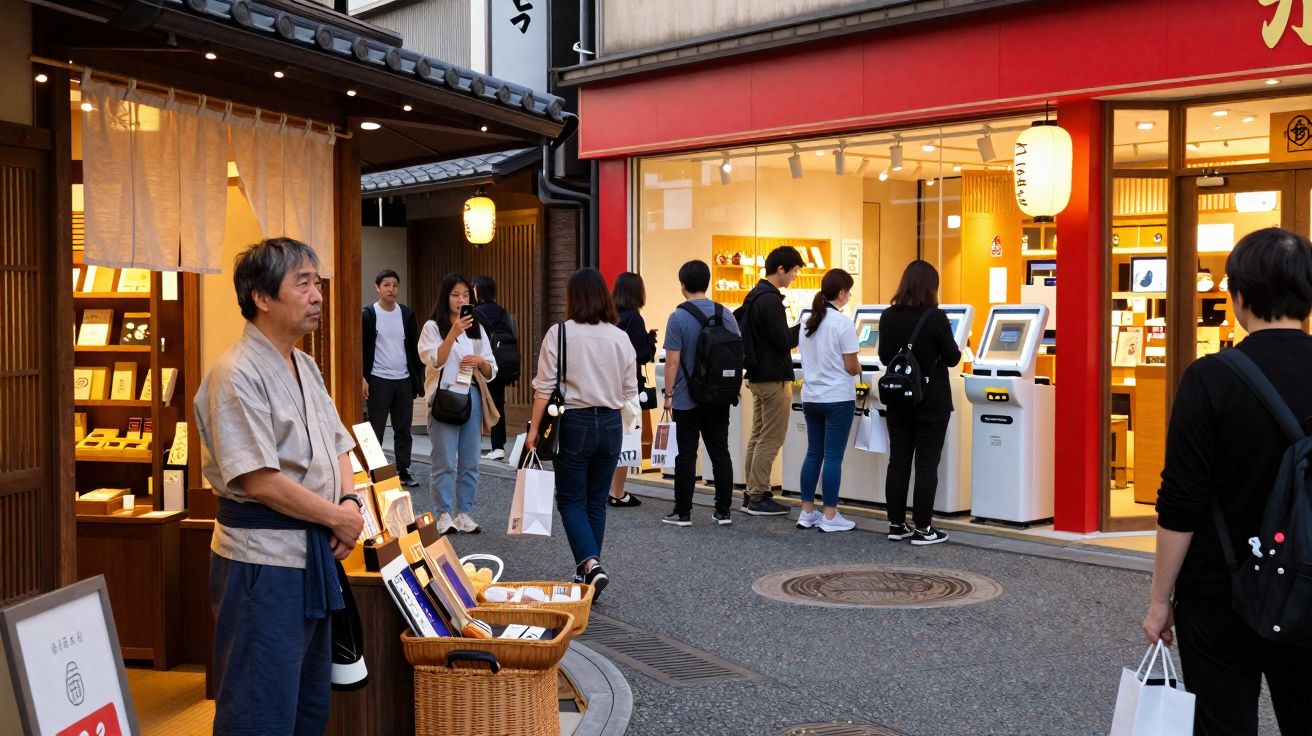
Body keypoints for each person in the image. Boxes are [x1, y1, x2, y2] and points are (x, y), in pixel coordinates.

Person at [1142, 227, 1312, 736]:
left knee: (1221, 722)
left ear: (1237, 296)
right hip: (1308, 581)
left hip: (1220, 589)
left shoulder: (1210, 378)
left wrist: (1158, 600)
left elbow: (1181, 502)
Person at [194, 238, 364, 734]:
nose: (317, 295)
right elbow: (259, 480)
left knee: (306, 705)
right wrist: (336, 517)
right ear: (262, 298)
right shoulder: (235, 372)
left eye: (317, 282)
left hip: (309, 559)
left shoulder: (304, 364)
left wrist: (350, 501)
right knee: (258, 708)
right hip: (260, 564)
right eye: (303, 283)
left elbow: (338, 445)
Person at [526, 268, 637, 596]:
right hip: (611, 424)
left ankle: (591, 565)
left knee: (571, 499)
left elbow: (543, 388)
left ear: (572, 298)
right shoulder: (620, 337)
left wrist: (533, 430)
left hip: (573, 423)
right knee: (596, 501)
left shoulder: (559, 333)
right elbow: (629, 388)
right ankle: (588, 575)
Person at [878, 260, 962, 546]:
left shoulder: (888, 316)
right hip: (932, 403)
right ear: (931, 286)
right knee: (926, 465)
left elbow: (883, 356)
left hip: (898, 401)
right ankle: (923, 528)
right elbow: (952, 357)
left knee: (898, 461)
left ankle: (895, 524)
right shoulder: (936, 318)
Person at [661, 260, 741, 527]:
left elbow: (672, 361)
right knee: (720, 451)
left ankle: (682, 512)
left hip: (687, 396)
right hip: (719, 394)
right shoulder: (726, 313)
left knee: (686, 454)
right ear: (707, 282)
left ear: (682, 285)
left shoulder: (678, 317)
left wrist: (668, 393)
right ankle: (723, 511)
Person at [419, 273, 497, 535]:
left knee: (470, 459)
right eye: (456, 295)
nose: (461, 299)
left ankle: (464, 512)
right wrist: (452, 333)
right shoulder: (433, 327)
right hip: (444, 396)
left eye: (465, 295)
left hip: (470, 395)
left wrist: (480, 362)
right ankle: (443, 514)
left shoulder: (477, 329)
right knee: (444, 460)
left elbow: (491, 369)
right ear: (445, 297)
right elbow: (434, 360)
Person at [737, 245, 806, 516]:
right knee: (772, 437)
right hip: (774, 377)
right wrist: (806, 325)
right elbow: (783, 340)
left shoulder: (753, 295)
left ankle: (753, 491)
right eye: (794, 271)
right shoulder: (771, 300)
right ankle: (758, 496)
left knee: (757, 435)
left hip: (755, 375)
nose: (795, 277)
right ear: (781, 269)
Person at [795, 269, 860, 533]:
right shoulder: (843, 324)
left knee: (813, 453)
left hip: (812, 397)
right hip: (838, 399)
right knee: (833, 457)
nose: (849, 295)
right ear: (842, 293)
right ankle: (830, 516)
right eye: (849, 291)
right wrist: (857, 369)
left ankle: (807, 512)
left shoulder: (808, 321)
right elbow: (851, 365)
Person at [361, 269, 424, 487]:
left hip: (403, 379)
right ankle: (375, 471)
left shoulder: (406, 314)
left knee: (403, 429)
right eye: (386, 285)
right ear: (377, 287)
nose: (391, 289)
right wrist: (362, 377)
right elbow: (361, 349)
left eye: (395, 285)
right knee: (375, 428)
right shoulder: (368, 314)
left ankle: (403, 469)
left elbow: (414, 348)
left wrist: (418, 378)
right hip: (378, 378)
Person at [610, 271, 656, 507]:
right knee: (625, 439)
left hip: (606, 386)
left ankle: (608, 489)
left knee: (610, 440)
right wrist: (650, 341)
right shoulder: (634, 319)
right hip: (627, 389)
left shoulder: (609, 317)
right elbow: (641, 354)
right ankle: (618, 492)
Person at [472, 275, 518, 462]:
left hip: (482, 365)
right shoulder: (502, 311)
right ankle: (498, 446)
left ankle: (473, 444)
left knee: (476, 403)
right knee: (497, 403)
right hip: (503, 364)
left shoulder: (474, 313)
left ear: (477, 290)